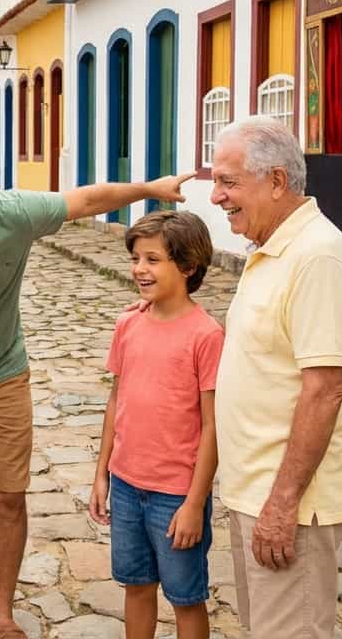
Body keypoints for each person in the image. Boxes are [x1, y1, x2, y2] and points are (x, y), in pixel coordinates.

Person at [0, 145, 192, 639]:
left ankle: (1, 615)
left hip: (4, 376)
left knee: (9, 497)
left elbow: (88, 200)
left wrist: (151, 189)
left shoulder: (16, 216)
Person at [209, 117, 342, 639]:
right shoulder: (272, 248)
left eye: (228, 182)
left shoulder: (317, 256)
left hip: (287, 504)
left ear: (276, 182)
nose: (216, 197)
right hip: (255, 492)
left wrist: (282, 503)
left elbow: (325, 391)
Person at [88, 210, 223, 639]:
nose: (139, 270)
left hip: (175, 495)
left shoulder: (206, 335)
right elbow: (117, 400)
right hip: (126, 486)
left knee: (185, 597)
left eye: (152, 260)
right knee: (136, 585)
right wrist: (101, 474)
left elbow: (212, 425)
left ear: (187, 266)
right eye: (135, 259)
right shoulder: (128, 324)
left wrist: (194, 503)